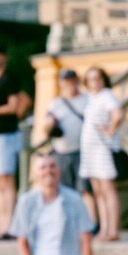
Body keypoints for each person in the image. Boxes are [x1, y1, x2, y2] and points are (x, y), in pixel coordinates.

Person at [0, 41, 30, 239]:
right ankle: (1, 222)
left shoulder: (10, 79)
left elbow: (13, 106)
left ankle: (9, 224)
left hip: (5, 134)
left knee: (7, 180)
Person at [39, 69, 93, 218]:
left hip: (84, 150)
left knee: (85, 189)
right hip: (62, 150)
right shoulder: (56, 103)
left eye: (72, 80)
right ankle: (66, 219)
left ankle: (90, 222)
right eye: (66, 81)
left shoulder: (87, 99)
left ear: (77, 81)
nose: (69, 84)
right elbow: (46, 129)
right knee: (65, 189)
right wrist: (51, 124)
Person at [80, 66, 125, 243]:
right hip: (89, 149)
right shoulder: (91, 98)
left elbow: (118, 115)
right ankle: (104, 229)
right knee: (97, 190)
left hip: (102, 148)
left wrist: (110, 131)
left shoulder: (107, 95)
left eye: (97, 78)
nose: (94, 82)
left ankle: (113, 229)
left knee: (107, 189)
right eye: (91, 79)